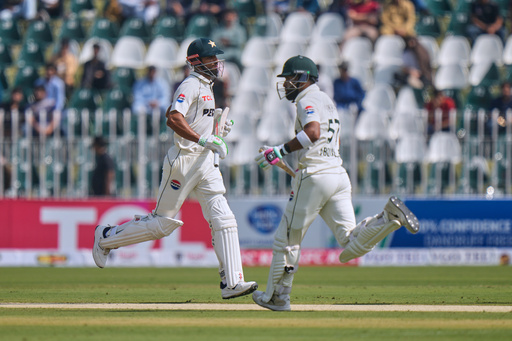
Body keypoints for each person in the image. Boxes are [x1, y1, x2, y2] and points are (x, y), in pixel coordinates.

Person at [93, 37, 257, 300]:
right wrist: (203, 138)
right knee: (161, 223)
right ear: (196, 62)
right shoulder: (190, 84)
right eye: (210, 59)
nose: (216, 63)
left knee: (223, 218)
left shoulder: (208, 86)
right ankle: (106, 237)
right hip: (183, 161)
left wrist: (217, 129)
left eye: (216, 58)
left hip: (206, 163)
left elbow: (197, 120)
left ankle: (232, 281)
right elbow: (173, 117)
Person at [251, 55, 420, 311]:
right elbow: (327, 143)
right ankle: (387, 219)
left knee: (286, 240)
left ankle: (277, 297)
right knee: (350, 242)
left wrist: (280, 151)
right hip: (337, 174)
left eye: (288, 79)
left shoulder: (307, 99)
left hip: (316, 176)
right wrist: (299, 167)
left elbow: (312, 133)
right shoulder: (327, 100)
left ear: (302, 78)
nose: (285, 85)